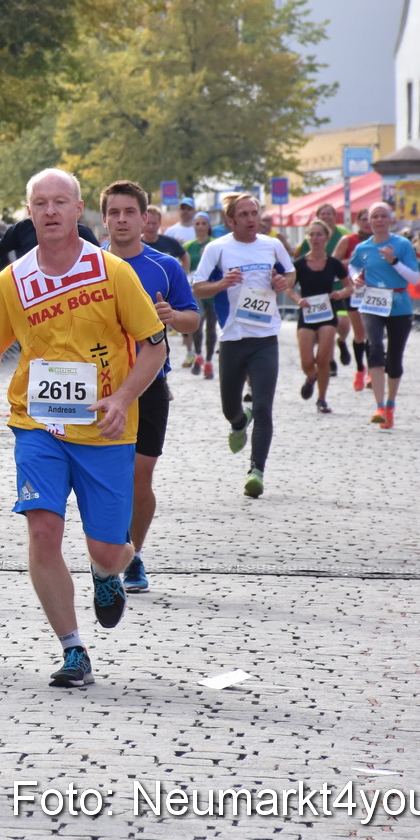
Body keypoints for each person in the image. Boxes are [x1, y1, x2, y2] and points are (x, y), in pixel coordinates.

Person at [0, 168, 165, 690]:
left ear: (79, 211)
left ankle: (108, 571)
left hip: (106, 430)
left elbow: (155, 346)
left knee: (106, 549)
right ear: (28, 213)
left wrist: (122, 397)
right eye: (40, 203)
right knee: (43, 529)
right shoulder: (14, 280)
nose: (50, 211)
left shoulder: (113, 272)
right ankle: (73, 650)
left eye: (60, 202)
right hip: (37, 425)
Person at [98, 182, 198, 596]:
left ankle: (133, 552)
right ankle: (106, 553)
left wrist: (172, 315)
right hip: (100, 382)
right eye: (114, 213)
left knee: (140, 475)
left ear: (144, 218)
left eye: (129, 212)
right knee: (107, 476)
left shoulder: (164, 266)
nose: (122, 219)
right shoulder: (90, 263)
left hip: (149, 383)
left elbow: (193, 320)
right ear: (104, 219)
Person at [191, 193, 295, 497]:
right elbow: (198, 286)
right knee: (230, 408)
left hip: (265, 338)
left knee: (264, 406)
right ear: (231, 220)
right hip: (233, 338)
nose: (252, 219)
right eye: (245, 214)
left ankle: (256, 471)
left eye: (255, 213)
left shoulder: (272, 245)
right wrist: (221, 284)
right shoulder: (218, 249)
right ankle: (239, 422)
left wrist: (284, 283)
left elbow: (289, 272)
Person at [348, 202, 420, 429]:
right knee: (375, 348)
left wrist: (394, 262)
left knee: (394, 357)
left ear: (390, 220)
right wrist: (356, 278)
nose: (378, 220)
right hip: (373, 305)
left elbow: (415, 279)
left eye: (382, 216)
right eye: (374, 216)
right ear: (368, 221)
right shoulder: (363, 248)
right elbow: (352, 267)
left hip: (399, 306)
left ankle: (390, 404)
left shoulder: (402, 245)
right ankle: (379, 406)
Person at [292, 220, 350, 410]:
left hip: (327, 314)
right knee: (307, 362)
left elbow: (350, 287)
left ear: (326, 238)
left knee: (323, 359)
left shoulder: (333, 264)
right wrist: (298, 300)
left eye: (319, 235)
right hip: (307, 315)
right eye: (312, 235)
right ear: (307, 238)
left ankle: (322, 399)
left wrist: (339, 294)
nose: (315, 238)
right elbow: (287, 288)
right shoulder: (299, 264)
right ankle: (311, 376)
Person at [332, 207, 371, 390]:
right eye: (362, 219)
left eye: (369, 219)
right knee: (360, 334)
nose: (366, 222)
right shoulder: (348, 240)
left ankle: (373, 371)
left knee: (374, 334)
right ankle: (360, 369)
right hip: (354, 291)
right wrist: (354, 261)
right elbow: (334, 264)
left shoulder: (381, 241)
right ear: (357, 222)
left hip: (376, 291)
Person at [184, 213, 215, 378]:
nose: (201, 226)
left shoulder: (214, 245)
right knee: (197, 325)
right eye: (198, 223)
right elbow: (184, 267)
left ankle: (209, 362)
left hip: (213, 291)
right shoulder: (189, 246)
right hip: (195, 291)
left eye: (204, 223)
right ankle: (198, 356)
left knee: (211, 327)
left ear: (208, 226)